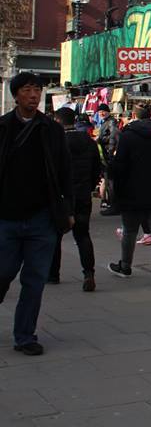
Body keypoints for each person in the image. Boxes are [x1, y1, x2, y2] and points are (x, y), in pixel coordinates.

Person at [0, 72, 74, 356]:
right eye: (28, 90)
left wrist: (68, 210)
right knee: (3, 272)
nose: (34, 95)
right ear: (16, 94)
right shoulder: (3, 127)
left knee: (34, 279)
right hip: (6, 217)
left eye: (38, 90)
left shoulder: (52, 130)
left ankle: (25, 335)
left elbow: (65, 171)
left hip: (42, 219)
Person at [107, 104, 151, 286]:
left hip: (132, 191)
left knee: (129, 230)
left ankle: (125, 266)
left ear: (134, 116)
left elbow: (119, 166)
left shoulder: (127, 136)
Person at [50, 108, 102, 291]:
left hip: (61, 196)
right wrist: (89, 185)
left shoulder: (56, 142)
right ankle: (89, 273)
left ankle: (53, 274)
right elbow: (98, 166)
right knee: (82, 235)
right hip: (82, 194)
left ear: (58, 121)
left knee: (55, 236)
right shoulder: (88, 141)